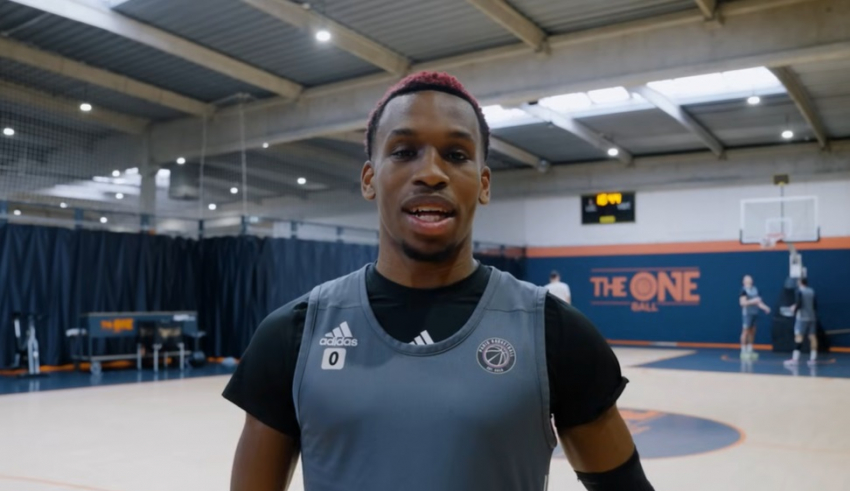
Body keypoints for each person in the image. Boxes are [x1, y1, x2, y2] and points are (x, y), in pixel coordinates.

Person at [223, 71, 654, 491]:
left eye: (457, 155)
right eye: (404, 151)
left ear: (484, 184)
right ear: (369, 179)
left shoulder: (554, 332)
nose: (431, 172)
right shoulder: (293, 335)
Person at [784, 277, 818, 367]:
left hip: (802, 317)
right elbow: (815, 304)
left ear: (800, 282)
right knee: (812, 337)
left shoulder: (799, 291)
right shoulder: (812, 291)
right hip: (812, 317)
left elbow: (799, 303)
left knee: (798, 337)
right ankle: (813, 358)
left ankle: (795, 358)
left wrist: (794, 310)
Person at [739, 274, 770, 360]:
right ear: (744, 281)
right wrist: (753, 301)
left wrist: (765, 307)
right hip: (747, 313)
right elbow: (742, 303)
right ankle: (743, 350)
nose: (750, 280)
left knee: (752, 331)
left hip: (754, 313)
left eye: (750, 279)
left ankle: (749, 349)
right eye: (747, 279)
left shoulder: (755, 290)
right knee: (745, 331)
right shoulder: (743, 291)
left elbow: (758, 302)